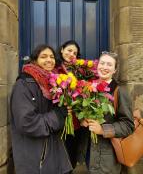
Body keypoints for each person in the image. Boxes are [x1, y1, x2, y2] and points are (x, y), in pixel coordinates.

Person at [10, 44, 72, 174]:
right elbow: (27, 123)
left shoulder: (53, 82)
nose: (49, 60)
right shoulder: (24, 84)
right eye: (43, 57)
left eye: (52, 56)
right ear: (34, 60)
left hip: (53, 154)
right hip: (37, 160)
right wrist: (58, 116)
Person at [81, 51, 135, 174]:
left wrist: (102, 130)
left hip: (108, 156)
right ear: (97, 65)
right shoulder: (88, 88)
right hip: (89, 150)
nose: (105, 67)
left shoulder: (119, 91)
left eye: (109, 65)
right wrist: (83, 120)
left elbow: (128, 125)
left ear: (115, 70)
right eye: (102, 63)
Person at [57, 40, 89, 169]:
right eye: (69, 50)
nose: (71, 54)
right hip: (60, 119)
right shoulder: (55, 68)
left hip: (76, 119)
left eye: (75, 53)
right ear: (62, 50)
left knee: (72, 153)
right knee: (60, 154)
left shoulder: (80, 70)